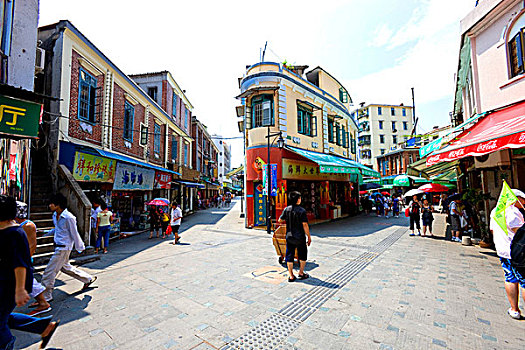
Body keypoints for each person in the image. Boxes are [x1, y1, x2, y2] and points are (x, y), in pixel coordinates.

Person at [0, 195, 59, 350]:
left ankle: (5, 345)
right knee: (3, 316)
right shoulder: (5, 230)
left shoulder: (15, 233)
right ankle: (44, 326)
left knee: (0, 319)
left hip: (12, 283)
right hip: (5, 281)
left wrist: (19, 290)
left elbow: (20, 264)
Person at [42, 194, 96, 302]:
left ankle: (45, 296)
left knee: (49, 272)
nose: (50, 205)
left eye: (51, 203)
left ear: (58, 204)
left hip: (63, 248)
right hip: (58, 246)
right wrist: (44, 233)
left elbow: (74, 233)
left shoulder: (69, 217)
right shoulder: (55, 215)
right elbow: (57, 229)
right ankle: (88, 279)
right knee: (65, 267)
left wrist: (80, 247)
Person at [490, 189, 525, 320]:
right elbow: (520, 234)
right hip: (518, 253)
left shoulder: (495, 211)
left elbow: (492, 230)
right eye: (522, 200)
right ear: (515, 199)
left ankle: (514, 309)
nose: (523, 203)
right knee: (524, 281)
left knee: (510, 278)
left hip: (502, 251)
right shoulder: (512, 212)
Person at [14, 201, 51, 317]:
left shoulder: (27, 225)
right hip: (19, 258)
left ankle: (43, 303)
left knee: (28, 281)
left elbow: (32, 245)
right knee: (27, 281)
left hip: (22, 259)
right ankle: (42, 301)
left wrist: (24, 259)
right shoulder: (18, 225)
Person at [278, 191, 312, 282]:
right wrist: (309, 237)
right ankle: (301, 273)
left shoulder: (286, 209)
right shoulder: (302, 211)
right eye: (300, 198)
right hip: (300, 237)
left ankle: (291, 275)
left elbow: (280, 220)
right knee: (302, 254)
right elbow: (305, 225)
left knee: (289, 255)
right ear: (297, 199)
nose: (300, 199)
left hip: (289, 236)